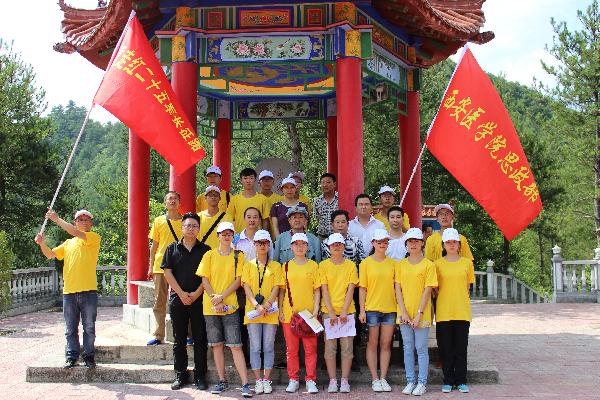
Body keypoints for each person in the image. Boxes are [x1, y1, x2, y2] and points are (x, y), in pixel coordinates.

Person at [34, 209, 101, 369]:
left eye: (86, 219)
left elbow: (75, 233)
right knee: (70, 328)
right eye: (80, 220)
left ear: (91, 223)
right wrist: (42, 243)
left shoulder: (93, 237)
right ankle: (71, 357)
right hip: (69, 292)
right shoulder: (68, 243)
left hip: (89, 291)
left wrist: (56, 219)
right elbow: (50, 254)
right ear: (75, 222)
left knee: (89, 327)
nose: (83, 222)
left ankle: (89, 357)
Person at [197, 221, 253, 397]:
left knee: (235, 345)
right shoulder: (209, 255)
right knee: (217, 345)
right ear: (218, 236)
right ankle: (222, 380)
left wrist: (222, 297)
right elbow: (204, 279)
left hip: (230, 306)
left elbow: (239, 280)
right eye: (223, 234)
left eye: (230, 234)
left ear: (233, 236)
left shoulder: (238, 255)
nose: (226, 236)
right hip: (211, 307)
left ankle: (245, 383)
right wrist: (215, 299)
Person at [161, 212, 210, 390]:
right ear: (182, 228)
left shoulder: (206, 250)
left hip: (200, 300)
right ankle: (180, 374)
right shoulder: (172, 249)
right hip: (178, 299)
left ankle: (200, 375)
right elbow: (167, 273)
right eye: (188, 225)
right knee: (179, 339)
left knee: (200, 339)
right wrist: (181, 293)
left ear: (199, 229)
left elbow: (208, 276)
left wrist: (196, 294)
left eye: (194, 226)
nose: (191, 229)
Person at [394, 228, 438, 396]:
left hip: (422, 313)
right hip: (404, 313)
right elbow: (398, 290)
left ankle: (422, 383)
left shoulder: (429, 265)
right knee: (407, 348)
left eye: (416, 241)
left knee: (421, 348)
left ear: (422, 243)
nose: (413, 244)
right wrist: (403, 312)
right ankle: (410, 381)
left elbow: (428, 290)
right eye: (410, 241)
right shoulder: (400, 265)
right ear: (406, 244)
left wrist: (419, 313)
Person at [278, 232, 321, 394]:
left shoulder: (313, 266)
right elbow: (282, 291)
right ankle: (293, 379)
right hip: (290, 313)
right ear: (291, 247)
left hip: (309, 314)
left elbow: (317, 290)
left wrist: (315, 310)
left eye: (303, 244)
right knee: (291, 349)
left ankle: (311, 379)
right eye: (296, 244)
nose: (300, 247)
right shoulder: (285, 266)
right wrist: (280, 310)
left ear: (307, 247)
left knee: (311, 349)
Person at [241, 230, 282, 395]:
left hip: (270, 311)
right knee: (255, 347)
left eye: (265, 243)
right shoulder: (248, 264)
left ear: (269, 245)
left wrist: (267, 304)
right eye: (259, 243)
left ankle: (266, 379)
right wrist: (257, 305)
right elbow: (246, 286)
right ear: (254, 245)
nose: (262, 245)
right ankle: (258, 380)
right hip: (253, 311)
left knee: (268, 346)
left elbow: (277, 286)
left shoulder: (276, 266)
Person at [434, 228, 474, 394]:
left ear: (459, 244)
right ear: (443, 245)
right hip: (444, 311)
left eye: (454, 242)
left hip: (462, 311)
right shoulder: (437, 264)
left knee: (461, 348)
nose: (451, 245)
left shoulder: (467, 263)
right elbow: (435, 288)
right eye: (448, 242)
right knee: (445, 348)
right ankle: (448, 380)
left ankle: (461, 380)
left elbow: (467, 286)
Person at [358, 229, 396, 393]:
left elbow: (397, 288)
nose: (382, 244)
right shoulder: (365, 263)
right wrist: (362, 310)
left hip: (390, 309)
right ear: (373, 243)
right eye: (379, 241)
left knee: (386, 343)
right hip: (372, 308)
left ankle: (383, 377)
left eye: (385, 242)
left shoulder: (393, 264)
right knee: (372, 343)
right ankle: (374, 378)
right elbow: (362, 288)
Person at [320, 233, 358, 393]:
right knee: (330, 348)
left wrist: (343, 312)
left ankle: (344, 380)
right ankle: (332, 380)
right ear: (329, 247)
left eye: (339, 244)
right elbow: (324, 290)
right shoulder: (323, 266)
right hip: (328, 312)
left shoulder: (351, 265)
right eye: (333, 244)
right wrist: (331, 312)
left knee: (347, 348)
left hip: (347, 312)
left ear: (344, 246)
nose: (336, 246)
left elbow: (351, 289)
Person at [147, 191, 183, 346]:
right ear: (165, 203)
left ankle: (184, 334)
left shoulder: (185, 221)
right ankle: (159, 334)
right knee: (159, 301)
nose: (172, 201)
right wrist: (150, 267)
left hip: (180, 265)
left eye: (175, 198)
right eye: (170, 198)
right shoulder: (158, 221)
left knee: (182, 300)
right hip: (160, 265)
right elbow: (154, 246)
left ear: (179, 202)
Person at [227, 168, 269, 232]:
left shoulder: (263, 199)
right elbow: (229, 219)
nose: (248, 181)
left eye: (251, 178)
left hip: (257, 236)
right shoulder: (234, 199)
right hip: (239, 235)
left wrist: (263, 234)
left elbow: (265, 220)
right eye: (245, 178)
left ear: (255, 180)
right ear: (241, 180)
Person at [197, 185, 233, 250]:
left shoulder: (227, 217)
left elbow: (231, 238)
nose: (213, 197)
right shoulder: (198, 217)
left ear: (220, 198)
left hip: (221, 253)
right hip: (202, 254)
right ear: (205, 198)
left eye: (216, 195)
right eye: (210, 195)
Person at [313, 173, 339, 240]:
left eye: (328, 182)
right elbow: (317, 218)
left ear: (334, 184)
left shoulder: (341, 198)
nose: (325, 185)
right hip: (322, 237)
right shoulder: (317, 201)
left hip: (338, 237)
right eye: (322, 183)